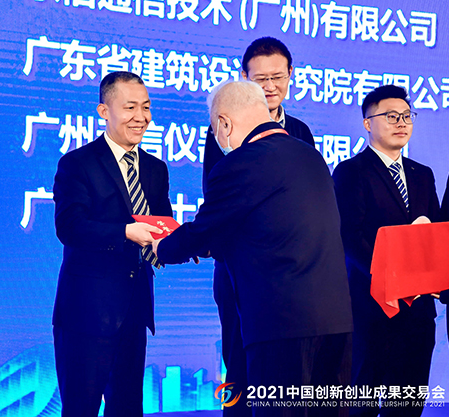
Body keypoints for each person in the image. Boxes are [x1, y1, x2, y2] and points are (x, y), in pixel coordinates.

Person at [155, 80, 353, 416]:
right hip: (336, 323)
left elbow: (204, 231)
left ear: (224, 123)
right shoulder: (311, 155)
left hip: (282, 327)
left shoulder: (239, 163)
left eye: (215, 131)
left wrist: (161, 247)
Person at [202, 37, 316, 416]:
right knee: (239, 366)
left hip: (290, 277)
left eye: (277, 77)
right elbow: (219, 201)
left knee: (287, 377)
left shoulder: (300, 132)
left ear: (291, 75)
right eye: (260, 78)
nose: (270, 86)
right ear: (244, 78)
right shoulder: (223, 128)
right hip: (240, 272)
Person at [52, 71, 172, 416]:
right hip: (86, 313)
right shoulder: (77, 163)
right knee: (81, 408)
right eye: (130, 107)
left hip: (134, 310)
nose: (141, 117)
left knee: (128, 407)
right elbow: (70, 227)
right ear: (104, 111)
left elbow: (161, 225)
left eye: (146, 107)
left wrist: (187, 243)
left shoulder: (155, 169)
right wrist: (125, 232)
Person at [333, 85, 439, 417]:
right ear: (367, 123)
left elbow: (434, 236)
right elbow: (350, 236)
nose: (401, 123)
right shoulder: (351, 171)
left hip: (418, 312)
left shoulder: (423, 175)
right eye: (391, 116)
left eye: (407, 116)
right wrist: (390, 279)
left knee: (407, 405)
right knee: (363, 404)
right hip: (372, 308)